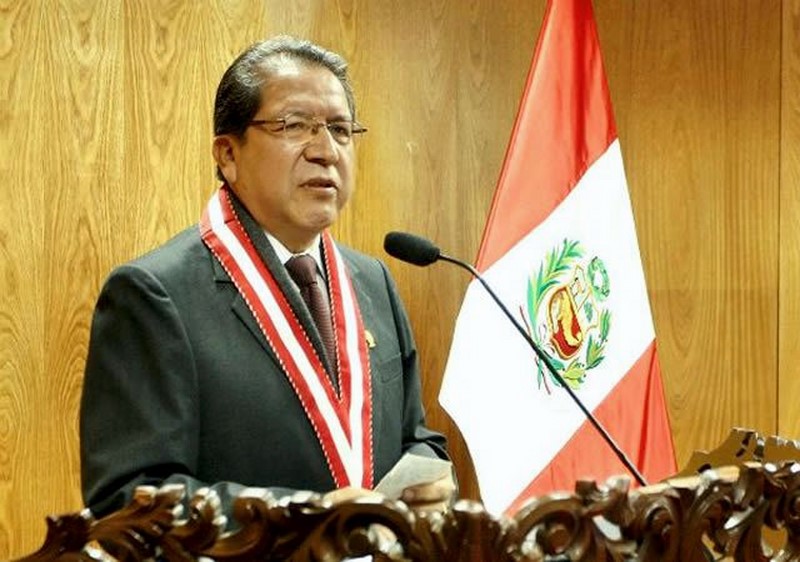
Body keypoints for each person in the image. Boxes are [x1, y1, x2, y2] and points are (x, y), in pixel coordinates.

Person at [79, 36, 455, 524]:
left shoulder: (373, 280)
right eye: (294, 125)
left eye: (340, 129)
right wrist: (305, 519)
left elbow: (414, 435)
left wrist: (430, 477)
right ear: (228, 154)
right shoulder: (154, 295)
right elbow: (130, 497)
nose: (326, 151)